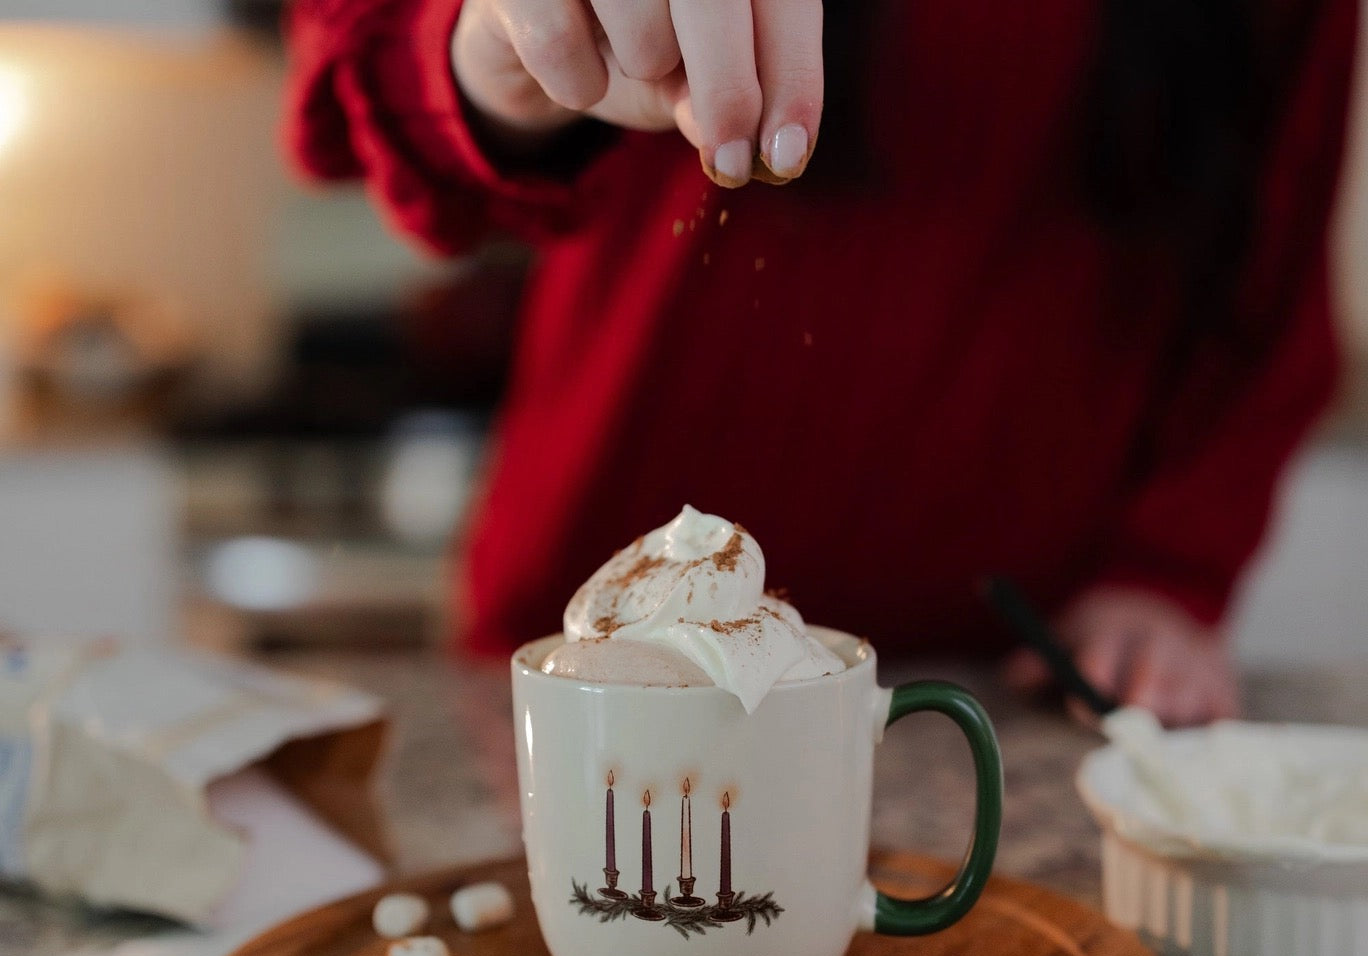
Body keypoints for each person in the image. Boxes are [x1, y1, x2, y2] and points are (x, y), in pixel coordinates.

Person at [284, 0, 1356, 724]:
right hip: (593, 665)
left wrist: (1165, 574)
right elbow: (361, 58)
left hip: (1009, 689)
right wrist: (491, 54)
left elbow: (1267, 275)